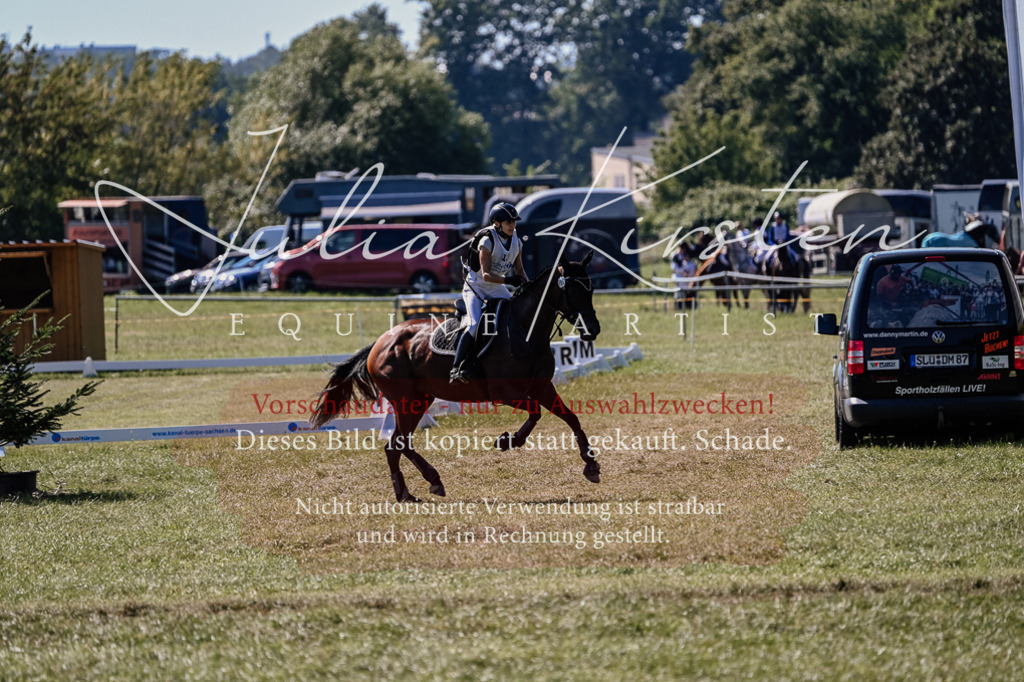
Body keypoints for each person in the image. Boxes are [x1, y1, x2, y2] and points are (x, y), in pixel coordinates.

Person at [450, 201, 529, 383]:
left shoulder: (516, 239)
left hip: (496, 286)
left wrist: (528, 285)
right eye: (509, 222)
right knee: (474, 323)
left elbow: (519, 270)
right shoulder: (487, 240)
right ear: (497, 223)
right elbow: (486, 275)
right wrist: (509, 281)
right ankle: (457, 367)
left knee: (516, 314)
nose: (513, 225)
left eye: (514, 222)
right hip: (475, 285)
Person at [671, 243, 697, 309]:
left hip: (686, 278)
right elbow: (675, 268)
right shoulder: (675, 255)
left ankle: (688, 306)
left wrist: (686, 273)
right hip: (679, 277)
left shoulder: (690, 262)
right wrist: (683, 272)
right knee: (679, 292)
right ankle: (678, 306)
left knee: (687, 292)